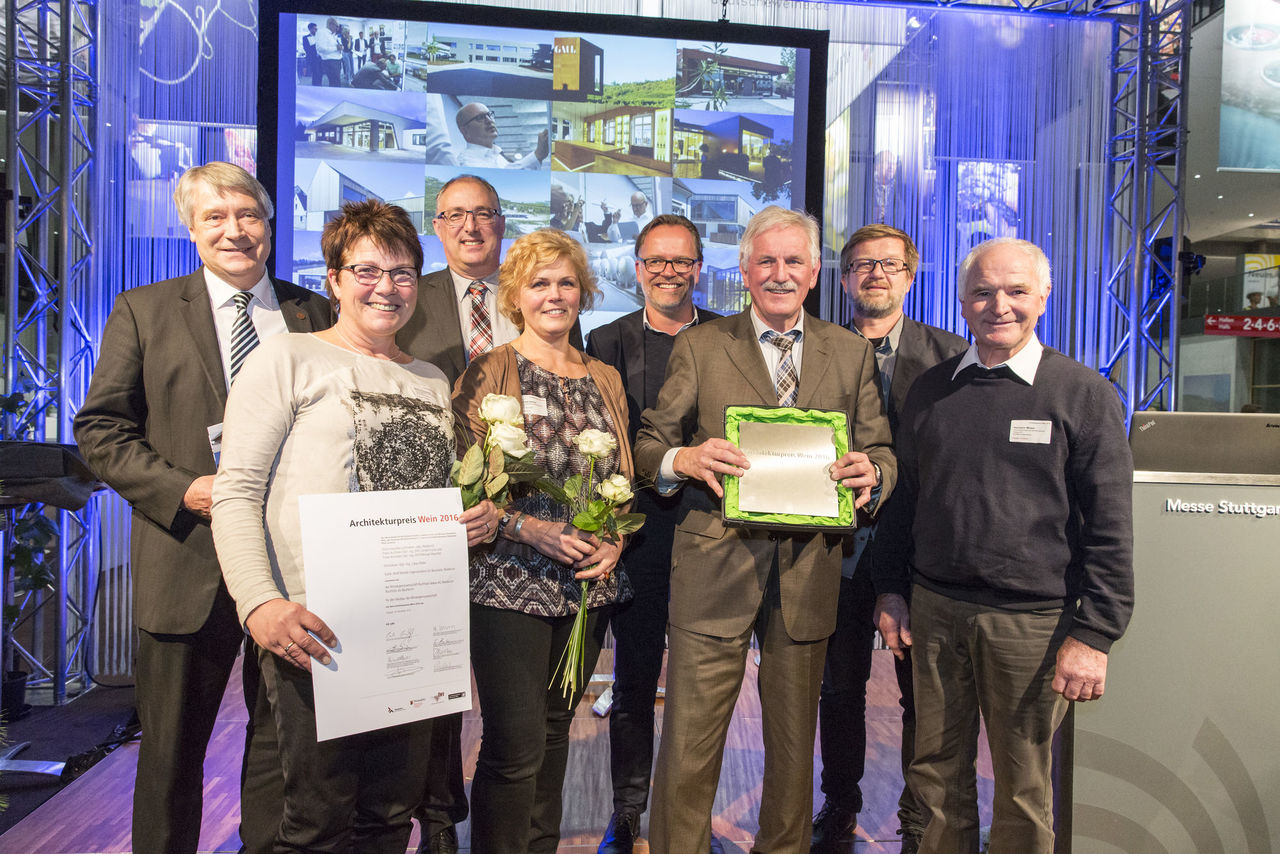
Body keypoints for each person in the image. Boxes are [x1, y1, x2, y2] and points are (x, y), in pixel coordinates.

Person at [211, 200, 500, 851]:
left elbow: (419, 501)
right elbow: (235, 494)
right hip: (314, 630)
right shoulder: (287, 359)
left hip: (407, 632)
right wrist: (260, 605)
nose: (386, 287)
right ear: (335, 278)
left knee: (389, 818)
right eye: (367, 270)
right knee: (311, 823)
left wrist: (466, 519)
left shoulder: (430, 380)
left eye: (401, 273)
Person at [73, 162, 332, 854]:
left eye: (248, 214)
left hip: (293, 569)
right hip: (186, 564)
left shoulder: (316, 314)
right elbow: (101, 429)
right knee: (169, 762)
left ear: (270, 226)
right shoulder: (144, 309)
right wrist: (184, 489)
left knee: (282, 755)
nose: (235, 230)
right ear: (189, 228)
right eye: (215, 217)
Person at [633, 206, 896, 853]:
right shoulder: (701, 345)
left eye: (794, 262)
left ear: (813, 274)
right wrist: (684, 460)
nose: (780, 274)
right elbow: (649, 445)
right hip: (713, 568)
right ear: (746, 270)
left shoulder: (851, 352)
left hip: (809, 574)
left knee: (790, 747)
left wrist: (873, 475)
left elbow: (882, 452)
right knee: (690, 746)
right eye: (767, 261)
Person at [873, 238, 1135, 853]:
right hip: (935, 613)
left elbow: (1111, 527)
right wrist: (891, 589)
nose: (1000, 305)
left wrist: (1095, 635)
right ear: (963, 302)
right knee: (934, 775)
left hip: (1036, 626)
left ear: (1043, 297)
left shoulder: (1082, 393)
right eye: (984, 291)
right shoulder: (932, 390)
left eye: (1016, 291)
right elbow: (906, 501)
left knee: (1023, 788)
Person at [396, 174, 581, 854]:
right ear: (436, 226)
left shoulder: (538, 293)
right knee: (436, 693)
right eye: (455, 215)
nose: (471, 227)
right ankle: (439, 822)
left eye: (484, 214)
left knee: (525, 723)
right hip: (434, 525)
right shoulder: (411, 300)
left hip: (529, 546)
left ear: (503, 223)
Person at [452, 228, 634, 853]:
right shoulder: (489, 369)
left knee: (557, 730)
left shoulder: (604, 376)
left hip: (585, 582)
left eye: (566, 282)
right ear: (514, 296)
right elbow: (464, 478)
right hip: (506, 578)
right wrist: (525, 526)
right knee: (514, 742)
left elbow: (621, 476)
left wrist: (614, 541)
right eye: (539, 283)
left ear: (583, 292)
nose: (555, 294)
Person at [811, 225, 966, 854]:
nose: (875, 273)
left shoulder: (954, 357)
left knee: (921, 698)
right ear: (844, 278)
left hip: (923, 551)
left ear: (911, 273)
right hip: (838, 549)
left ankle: (919, 818)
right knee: (839, 688)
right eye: (861, 264)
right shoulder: (814, 348)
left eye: (889, 264)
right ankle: (839, 806)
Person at [585, 215, 722, 854]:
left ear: (699, 267)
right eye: (656, 261)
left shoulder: (728, 336)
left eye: (682, 261)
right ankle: (630, 812)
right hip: (636, 539)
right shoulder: (605, 340)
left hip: (712, 535)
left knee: (701, 688)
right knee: (634, 681)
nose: (669, 272)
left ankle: (684, 815)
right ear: (638, 268)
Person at [455, 102, 549, 169]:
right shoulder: (466, 163)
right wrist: (538, 155)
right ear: (465, 131)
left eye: (489, 115)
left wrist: (538, 155)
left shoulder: (496, 155)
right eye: (480, 118)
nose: (489, 120)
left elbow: (510, 170)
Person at [316, 18, 344, 88]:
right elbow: (320, 48)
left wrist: (340, 47)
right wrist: (336, 48)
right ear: (330, 24)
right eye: (336, 26)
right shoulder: (322, 32)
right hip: (330, 62)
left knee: (336, 82)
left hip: (336, 61)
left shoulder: (332, 34)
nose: (337, 29)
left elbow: (335, 45)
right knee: (335, 83)